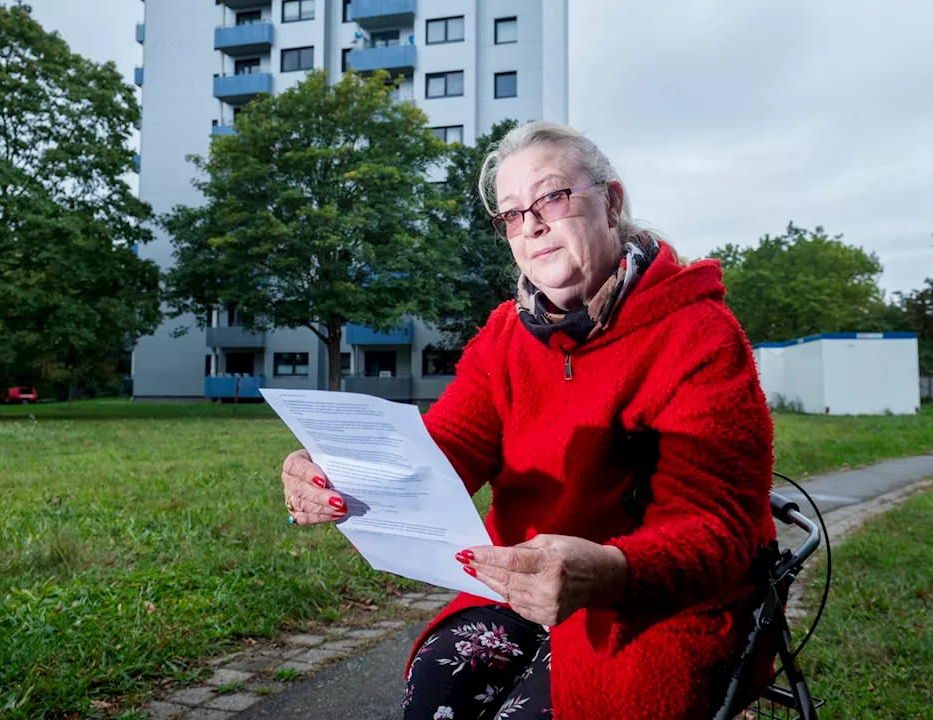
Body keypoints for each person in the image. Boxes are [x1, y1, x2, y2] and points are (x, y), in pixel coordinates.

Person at [280, 121, 776, 720]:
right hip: (520, 583)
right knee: (441, 690)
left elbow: (715, 526)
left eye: (553, 197)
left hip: (651, 598)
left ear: (611, 202)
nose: (533, 225)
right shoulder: (505, 335)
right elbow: (450, 447)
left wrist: (611, 570)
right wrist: (341, 472)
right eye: (513, 214)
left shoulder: (698, 334)